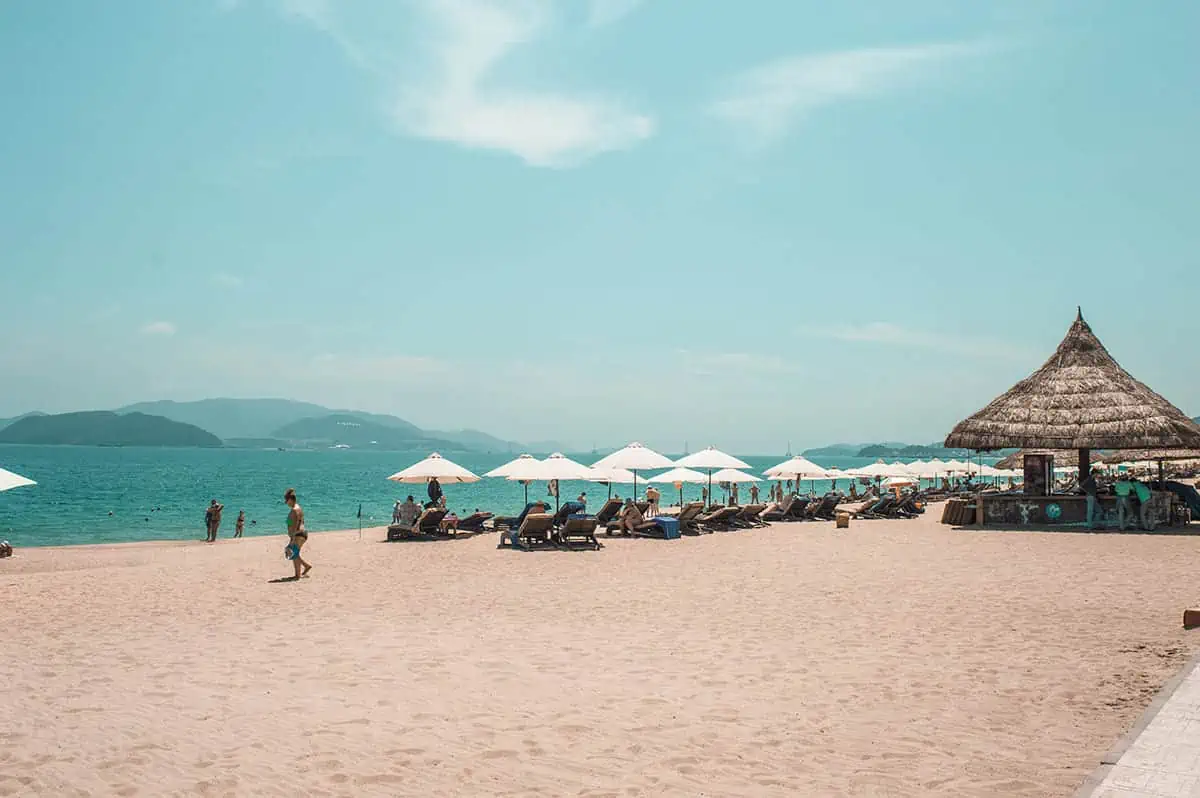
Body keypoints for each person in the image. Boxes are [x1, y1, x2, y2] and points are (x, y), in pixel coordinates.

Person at [284, 488, 312, 579]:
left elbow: (296, 524)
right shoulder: (298, 508)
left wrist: (293, 538)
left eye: (287, 501)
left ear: (291, 500)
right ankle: (305, 567)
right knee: (294, 553)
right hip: (300, 534)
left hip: (298, 534)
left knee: (292, 553)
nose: (286, 503)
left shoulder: (295, 510)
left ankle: (298, 575)